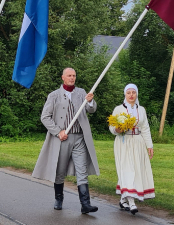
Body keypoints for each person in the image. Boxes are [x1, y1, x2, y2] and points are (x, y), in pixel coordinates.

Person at [32, 68, 100, 214]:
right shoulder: (54, 95)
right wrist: (58, 132)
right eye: (69, 75)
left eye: (74, 75)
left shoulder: (81, 92)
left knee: (82, 170)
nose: (72, 78)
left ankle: (85, 204)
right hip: (62, 138)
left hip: (79, 138)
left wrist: (90, 101)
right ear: (63, 77)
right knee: (60, 170)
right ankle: (58, 198)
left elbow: (91, 109)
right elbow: (45, 117)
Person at [109, 83, 154, 215]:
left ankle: (124, 199)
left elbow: (145, 128)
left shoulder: (142, 110)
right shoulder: (118, 109)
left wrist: (149, 145)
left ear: (136, 94)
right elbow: (112, 127)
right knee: (127, 169)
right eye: (128, 93)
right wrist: (117, 129)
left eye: (133, 92)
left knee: (136, 169)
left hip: (138, 142)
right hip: (124, 142)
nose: (131, 95)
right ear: (125, 94)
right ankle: (132, 202)